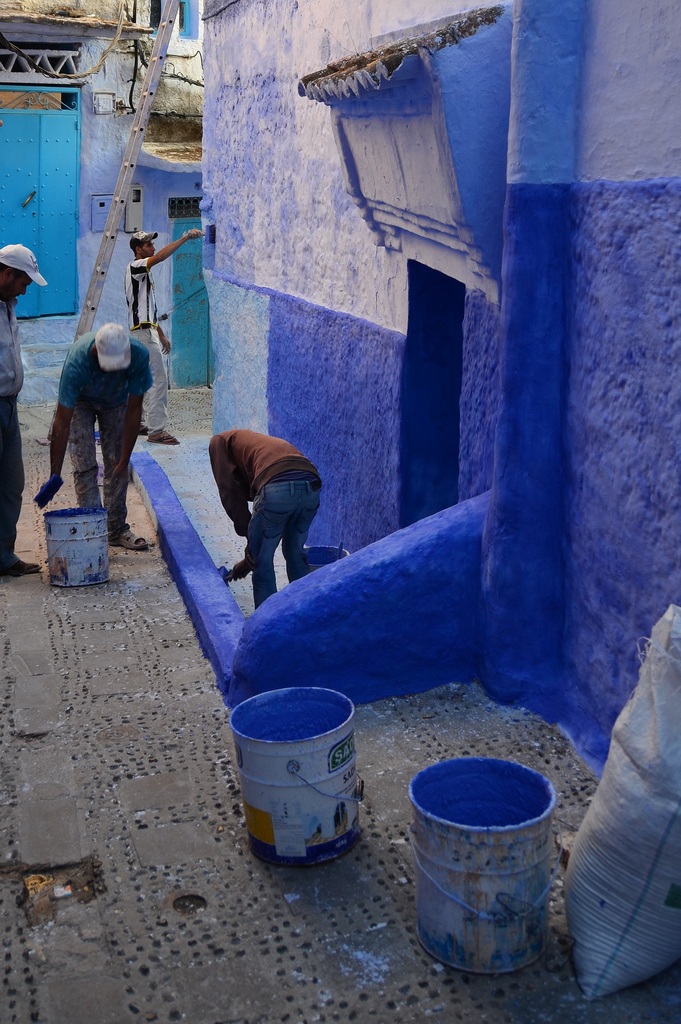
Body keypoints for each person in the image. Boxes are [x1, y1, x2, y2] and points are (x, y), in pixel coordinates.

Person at [42, 323, 153, 549]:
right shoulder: (78, 361)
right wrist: (54, 473)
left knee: (116, 469)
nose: (113, 372)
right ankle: (92, 531)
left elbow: (134, 410)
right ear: (95, 354)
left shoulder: (139, 355)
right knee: (84, 466)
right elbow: (62, 421)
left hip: (117, 402)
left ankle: (116, 530)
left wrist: (124, 461)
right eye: (107, 367)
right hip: (81, 402)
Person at [209, 429, 322, 608]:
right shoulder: (255, 443)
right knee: (295, 554)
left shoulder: (218, 442)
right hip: (311, 485)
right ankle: (306, 615)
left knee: (262, 561)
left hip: (276, 486)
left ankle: (268, 625)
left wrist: (250, 542)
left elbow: (230, 490)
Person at [124, 227, 202, 445]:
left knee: (138, 380)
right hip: (142, 335)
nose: (153, 248)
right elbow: (159, 258)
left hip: (142, 332)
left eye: (153, 244)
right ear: (138, 249)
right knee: (158, 381)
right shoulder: (136, 266)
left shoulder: (143, 273)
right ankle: (157, 431)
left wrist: (161, 333)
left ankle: (136, 422)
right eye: (148, 245)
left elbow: (149, 310)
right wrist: (185, 238)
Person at [0, 244, 47, 577]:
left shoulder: (8, 304)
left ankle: (4, 556)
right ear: (6, 274)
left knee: (11, 484)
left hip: (10, 408)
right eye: (23, 282)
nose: (25, 289)